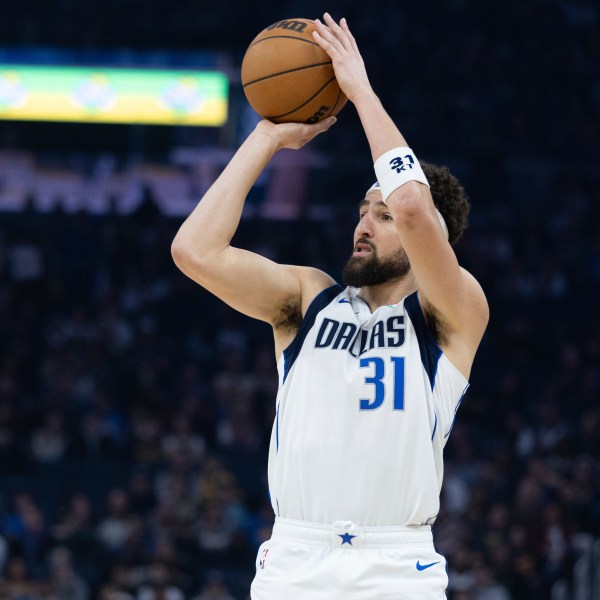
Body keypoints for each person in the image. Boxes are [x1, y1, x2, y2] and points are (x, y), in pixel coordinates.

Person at [171, 12, 489, 600]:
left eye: (383, 214)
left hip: (396, 563)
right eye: (364, 209)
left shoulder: (451, 313)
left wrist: (360, 90)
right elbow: (194, 251)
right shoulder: (307, 299)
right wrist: (266, 135)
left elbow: (417, 209)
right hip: (295, 555)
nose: (365, 223)